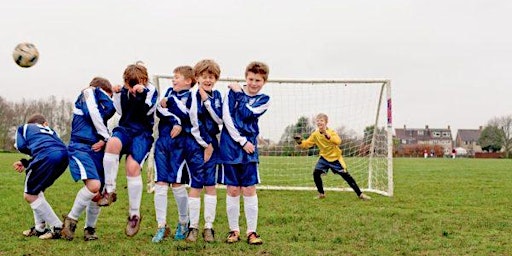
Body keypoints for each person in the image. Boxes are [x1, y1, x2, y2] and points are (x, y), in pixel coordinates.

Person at [98, 63, 159, 238]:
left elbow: (149, 108)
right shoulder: (123, 91)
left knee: (132, 168)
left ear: (144, 81)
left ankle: (134, 215)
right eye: (128, 85)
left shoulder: (151, 91)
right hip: (125, 129)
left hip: (142, 134)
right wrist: (118, 94)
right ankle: (109, 190)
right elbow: (119, 110)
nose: (131, 88)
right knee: (112, 143)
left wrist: (142, 91)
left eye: (136, 84)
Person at [219, 61, 270, 245]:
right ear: (245, 77)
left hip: (249, 149)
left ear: (264, 81)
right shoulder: (230, 93)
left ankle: (252, 232)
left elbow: (248, 113)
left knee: (249, 188)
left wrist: (239, 93)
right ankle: (234, 230)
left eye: (258, 80)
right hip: (231, 146)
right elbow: (227, 118)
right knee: (232, 189)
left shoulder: (264, 99)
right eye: (251, 79)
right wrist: (241, 141)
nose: (254, 83)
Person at [60, 77, 117, 241]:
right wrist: (106, 136)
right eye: (107, 95)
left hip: (96, 149)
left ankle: (90, 229)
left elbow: (109, 112)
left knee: (98, 193)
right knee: (94, 185)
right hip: (81, 147)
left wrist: (105, 139)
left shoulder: (102, 107)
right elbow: (92, 113)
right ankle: (70, 221)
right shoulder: (88, 93)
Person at [151, 65, 195, 243]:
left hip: (180, 146)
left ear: (188, 80)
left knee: (177, 183)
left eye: (177, 77)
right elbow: (159, 110)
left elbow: (190, 115)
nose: (173, 80)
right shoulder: (169, 92)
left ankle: (184, 222)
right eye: (173, 77)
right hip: (162, 143)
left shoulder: (192, 96)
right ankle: (161, 226)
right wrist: (175, 120)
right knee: (160, 183)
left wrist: (174, 108)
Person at [14, 114, 69, 240]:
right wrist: (26, 162)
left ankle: (58, 227)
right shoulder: (51, 131)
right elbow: (50, 146)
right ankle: (39, 228)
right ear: (44, 123)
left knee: (29, 195)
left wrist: (28, 156)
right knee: (37, 191)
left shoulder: (25, 127)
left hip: (46, 156)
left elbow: (21, 146)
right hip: (64, 156)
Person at [185, 59, 223, 243]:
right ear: (197, 77)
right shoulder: (192, 95)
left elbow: (219, 119)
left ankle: (209, 227)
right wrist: (205, 144)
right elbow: (193, 123)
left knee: (210, 185)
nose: (208, 80)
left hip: (212, 146)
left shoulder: (216, 96)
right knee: (196, 185)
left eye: (211, 77)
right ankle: (193, 227)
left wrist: (208, 101)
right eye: (204, 76)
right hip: (196, 145)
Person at [293, 113, 371, 201]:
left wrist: (327, 135)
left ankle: (360, 194)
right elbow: (306, 144)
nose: (319, 122)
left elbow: (338, 141)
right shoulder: (315, 134)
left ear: (326, 122)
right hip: (324, 158)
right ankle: (321, 194)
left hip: (335, 158)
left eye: (321, 120)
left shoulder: (331, 132)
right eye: (318, 121)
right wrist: (299, 141)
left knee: (346, 176)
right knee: (316, 173)